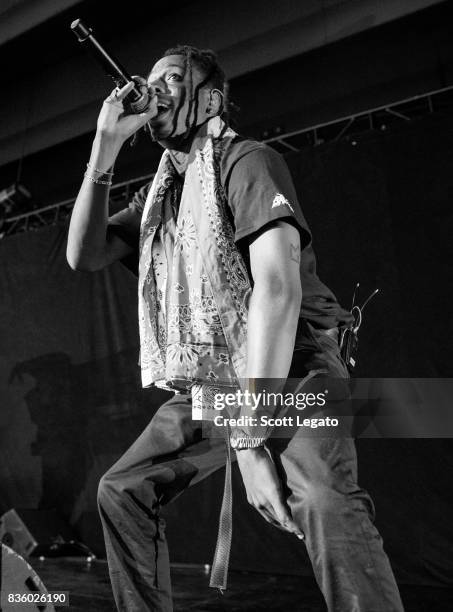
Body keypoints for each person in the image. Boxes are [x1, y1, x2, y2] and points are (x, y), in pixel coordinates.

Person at [67, 45, 404, 612]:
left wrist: (250, 440)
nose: (155, 89)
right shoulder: (161, 198)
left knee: (321, 500)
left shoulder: (244, 161)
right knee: (121, 490)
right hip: (217, 379)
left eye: (172, 79)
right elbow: (84, 253)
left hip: (290, 367)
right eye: (151, 81)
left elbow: (278, 290)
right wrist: (104, 147)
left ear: (212, 100)